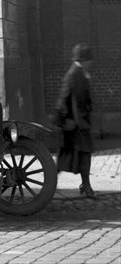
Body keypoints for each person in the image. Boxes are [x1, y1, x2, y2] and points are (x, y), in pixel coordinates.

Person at [55, 43, 96, 199]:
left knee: (81, 154)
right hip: (75, 124)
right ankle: (51, 183)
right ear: (83, 59)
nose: (91, 63)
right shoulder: (73, 74)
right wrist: (63, 120)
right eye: (89, 60)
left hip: (80, 123)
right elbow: (64, 97)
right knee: (69, 155)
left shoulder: (81, 72)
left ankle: (86, 185)